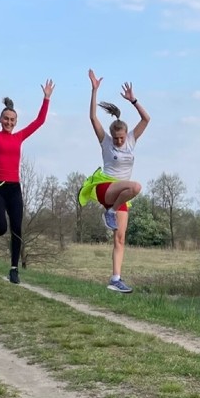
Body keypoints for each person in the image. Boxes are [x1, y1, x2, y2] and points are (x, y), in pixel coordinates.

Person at [0, 68, 55, 284]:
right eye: (6, 118)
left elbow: (39, 121)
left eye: (12, 119)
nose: (9, 122)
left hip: (14, 187)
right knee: (1, 228)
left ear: (16, 122)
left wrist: (46, 98)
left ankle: (13, 269)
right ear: (0, 119)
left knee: (17, 228)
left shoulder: (19, 137)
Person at [79, 69, 150, 293]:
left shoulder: (131, 139)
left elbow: (146, 119)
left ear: (126, 134)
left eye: (121, 137)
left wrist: (134, 100)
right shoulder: (106, 141)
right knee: (136, 186)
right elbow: (93, 117)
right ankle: (109, 211)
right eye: (116, 138)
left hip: (121, 197)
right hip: (106, 187)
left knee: (120, 238)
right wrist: (94, 90)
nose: (119, 141)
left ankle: (116, 279)